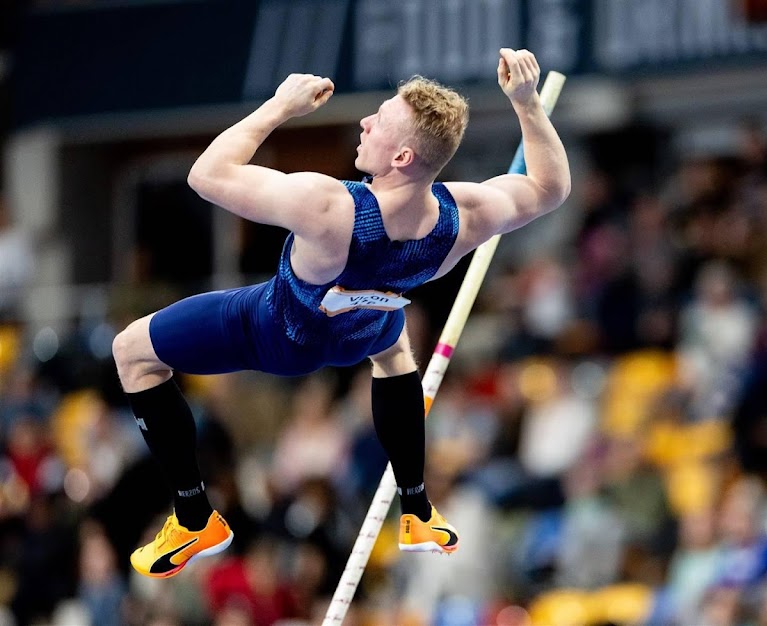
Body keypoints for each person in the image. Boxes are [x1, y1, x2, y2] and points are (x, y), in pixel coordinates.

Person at [112, 48, 570, 578]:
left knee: (132, 352)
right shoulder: (463, 217)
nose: (365, 120)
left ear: (401, 157)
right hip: (362, 331)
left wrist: (279, 107)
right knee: (395, 349)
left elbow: (206, 175)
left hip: (281, 333)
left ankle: (193, 515)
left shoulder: (327, 206)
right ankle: (417, 509)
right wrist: (526, 103)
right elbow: (549, 187)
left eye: (379, 122)